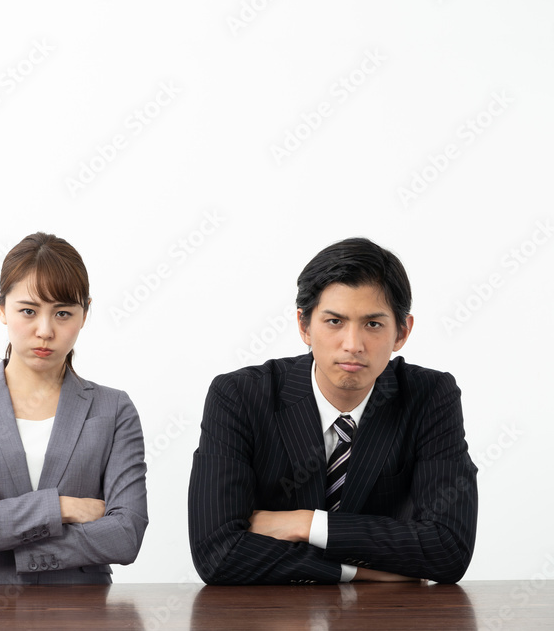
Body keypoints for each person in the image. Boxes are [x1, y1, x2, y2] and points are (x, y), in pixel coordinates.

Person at [188, 237, 477, 584]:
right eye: (334, 322)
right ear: (304, 326)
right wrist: (355, 573)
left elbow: (448, 549)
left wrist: (306, 524)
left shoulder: (430, 397)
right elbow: (216, 554)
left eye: (373, 324)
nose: (353, 345)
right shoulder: (239, 396)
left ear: (401, 332)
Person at [0, 232, 148, 583]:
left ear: (85, 313)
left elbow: (125, 536)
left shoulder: (114, 409)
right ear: (1, 307)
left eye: (63, 313)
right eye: (28, 311)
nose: (45, 331)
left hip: (85, 612)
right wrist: (61, 508)